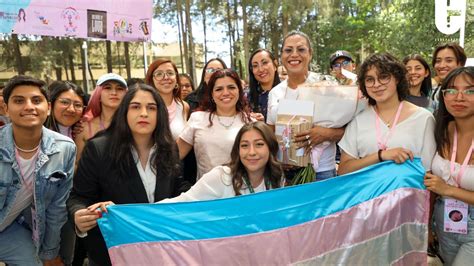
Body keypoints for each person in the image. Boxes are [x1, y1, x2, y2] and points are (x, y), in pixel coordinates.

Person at [67, 84, 190, 266]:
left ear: (160, 115)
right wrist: (79, 214)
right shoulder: (98, 149)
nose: (143, 113)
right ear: (124, 112)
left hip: (162, 249)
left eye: (151, 108)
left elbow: (179, 188)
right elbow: (78, 197)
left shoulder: (168, 148)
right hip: (113, 253)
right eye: (135, 107)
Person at [0, 75, 76, 265]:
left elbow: (56, 208)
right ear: (6, 108)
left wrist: (50, 253)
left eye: (36, 100)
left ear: (48, 108)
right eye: (19, 101)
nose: (29, 107)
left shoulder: (64, 148)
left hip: (9, 231)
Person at [338, 53, 436, 175]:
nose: (377, 84)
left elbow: (429, 173)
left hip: (408, 193)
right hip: (367, 193)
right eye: (370, 80)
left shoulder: (423, 118)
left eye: (383, 77)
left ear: (397, 79)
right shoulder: (358, 120)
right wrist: (380, 155)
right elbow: (343, 170)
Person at [267, 30, 344, 180]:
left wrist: (325, 134)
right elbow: (270, 135)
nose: (294, 54)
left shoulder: (326, 85)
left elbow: (349, 130)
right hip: (286, 175)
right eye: (288, 50)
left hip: (322, 173)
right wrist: (277, 159)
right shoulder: (275, 93)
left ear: (310, 54)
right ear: (282, 56)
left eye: (301, 49)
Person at [424, 67, 474, 266]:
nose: (459, 97)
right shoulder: (440, 129)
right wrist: (427, 225)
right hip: (444, 221)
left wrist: (448, 189)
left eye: (470, 90)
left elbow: (441, 187)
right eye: (451, 91)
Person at [162, 122, 284, 202]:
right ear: (238, 150)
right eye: (244, 145)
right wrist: (144, 214)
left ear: (271, 147)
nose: (251, 152)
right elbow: (181, 203)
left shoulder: (277, 177)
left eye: (259, 144)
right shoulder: (222, 176)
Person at [177, 69, 252, 180]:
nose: (226, 93)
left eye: (231, 87)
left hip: (242, 191)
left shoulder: (251, 122)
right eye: (219, 89)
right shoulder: (197, 119)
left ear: (239, 91)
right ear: (211, 94)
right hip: (206, 191)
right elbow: (174, 156)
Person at [43, 81, 86, 265]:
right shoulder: (38, 134)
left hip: (67, 210)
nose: (71, 109)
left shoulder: (78, 132)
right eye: (65, 102)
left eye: (77, 105)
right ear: (50, 104)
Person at [74, 73, 127, 162]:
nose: (114, 93)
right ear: (98, 94)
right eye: (107, 88)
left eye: (119, 89)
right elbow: (77, 164)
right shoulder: (83, 127)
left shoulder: (133, 124)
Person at [145, 59, 189, 140]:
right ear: (151, 80)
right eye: (159, 74)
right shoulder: (144, 106)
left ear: (176, 78)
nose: (165, 77)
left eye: (170, 73)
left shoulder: (184, 106)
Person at [248, 48, 281, 121]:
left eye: (265, 63)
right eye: (255, 66)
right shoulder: (246, 98)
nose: (261, 69)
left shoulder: (288, 92)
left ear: (275, 65)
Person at [431, 43, 467, 109]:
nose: (442, 65)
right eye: (438, 61)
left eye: (449, 60)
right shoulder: (435, 93)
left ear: (461, 63)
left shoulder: (470, 91)